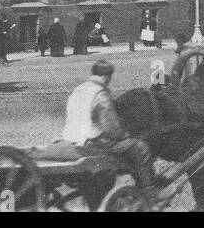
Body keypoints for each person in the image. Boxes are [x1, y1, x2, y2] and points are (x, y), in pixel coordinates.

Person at [61, 60, 155, 189]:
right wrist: (125, 135)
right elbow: (110, 126)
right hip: (94, 143)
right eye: (110, 77)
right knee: (141, 148)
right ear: (106, 76)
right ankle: (149, 188)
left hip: (71, 139)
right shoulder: (100, 94)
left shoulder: (79, 89)